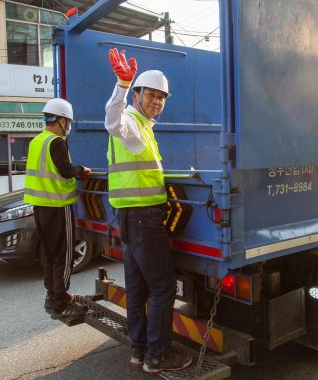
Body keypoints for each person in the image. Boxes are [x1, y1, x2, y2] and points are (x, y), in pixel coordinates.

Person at [104, 48, 192, 374]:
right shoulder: (129, 120)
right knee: (162, 288)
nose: (157, 101)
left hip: (130, 219)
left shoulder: (145, 127)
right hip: (142, 218)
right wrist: (122, 85)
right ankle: (158, 356)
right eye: (151, 95)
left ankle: (138, 351)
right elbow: (112, 121)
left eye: (161, 97)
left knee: (139, 288)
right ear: (137, 95)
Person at [24, 97, 91, 319]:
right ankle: (61, 303)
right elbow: (65, 170)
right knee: (64, 255)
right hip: (58, 206)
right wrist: (81, 169)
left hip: (40, 207)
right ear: (61, 120)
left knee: (51, 254)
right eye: (68, 122)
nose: (69, 126)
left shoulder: (36, 142)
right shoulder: (56, 142)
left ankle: (52, 295)